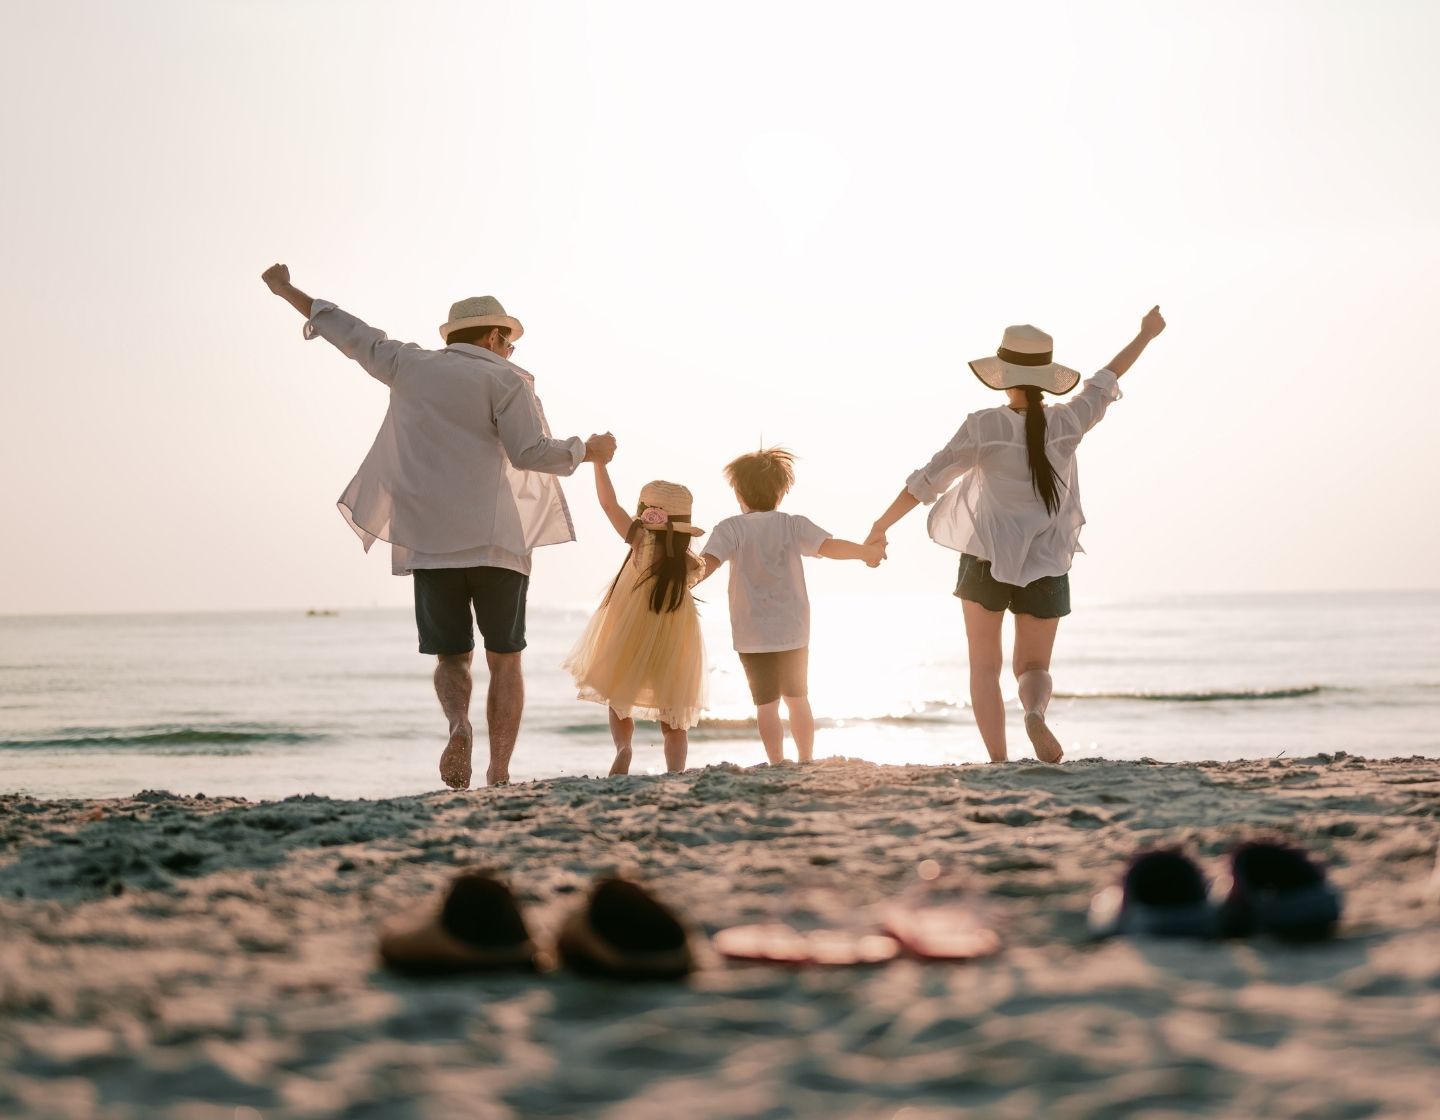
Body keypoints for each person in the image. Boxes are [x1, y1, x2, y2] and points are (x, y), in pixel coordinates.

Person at [260, 264, 617, 789]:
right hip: (497, 543)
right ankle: (498, 771)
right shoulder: (504, 380)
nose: (511, 351)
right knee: (505, 659)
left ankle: (457, 724)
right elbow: (528, 453)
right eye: (509, 342)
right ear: (494, 336)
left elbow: (348, 332)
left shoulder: (407, 364)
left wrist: (288, 290)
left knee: (453, 655)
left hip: (428, 543)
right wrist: (587, 450)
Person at [866, 308, 1167, 764]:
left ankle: (999, 762)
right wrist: (1145, 334)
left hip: (985, 557)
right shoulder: (1069, 422)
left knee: (984, 669)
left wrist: (880, 526)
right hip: (1048, 559)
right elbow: (1107, 378)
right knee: (1034, 667)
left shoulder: (985, 426)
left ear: (1003, 376)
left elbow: (927, 482)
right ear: (1046, 379)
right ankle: (1034, 711)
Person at [698, 448, 885, 764]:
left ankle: (775, 761)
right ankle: (805, 758)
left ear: (739, 492)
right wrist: (866, 552)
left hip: (751, 634)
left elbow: (707, 564)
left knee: (766, 705)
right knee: (798, 699)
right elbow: (831, 547)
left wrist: (677, 582)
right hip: (793, 630)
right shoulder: (792, 524)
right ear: (781, 493)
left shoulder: (729, 528)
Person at [563, 473, 708, 775]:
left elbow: (607, 503)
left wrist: (599, 464)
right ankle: (675, 771)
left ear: (645, 514)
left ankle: (624, 748)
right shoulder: (689, 561)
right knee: (673, 715)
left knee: (619, 697)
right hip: (676, 632)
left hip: (632, 626)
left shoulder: (640, 540)